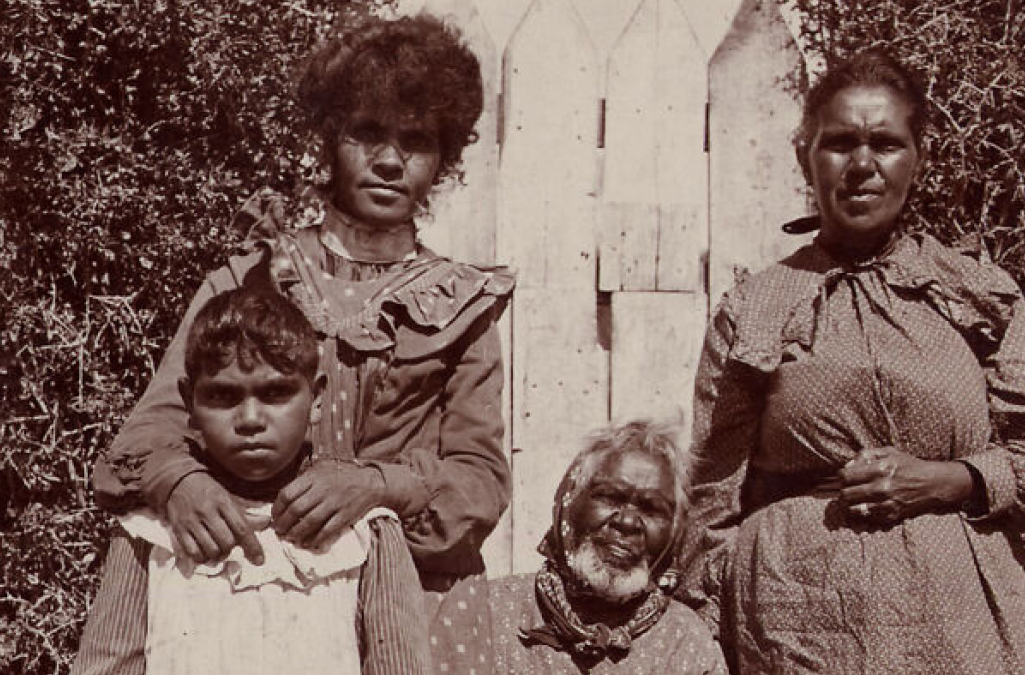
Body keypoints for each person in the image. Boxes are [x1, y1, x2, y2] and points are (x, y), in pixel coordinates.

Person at [90, 14, 513, 674]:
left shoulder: (462, 306)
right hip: (255, 589)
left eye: (417, 141)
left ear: (444, 158)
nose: (389, 160)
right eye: (367, 132)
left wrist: (372, 487)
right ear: (329, 137)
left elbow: (478, 484)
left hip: (417, 611)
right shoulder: (249, 277)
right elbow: (140, 441)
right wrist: (178, 482)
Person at [677, 51, 1025, 675]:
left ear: (918, 158)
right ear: (804, 156)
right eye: (839, 143)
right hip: (797, 618)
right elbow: (711, 497)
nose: (862, 166)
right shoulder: (756, 308)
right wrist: (707, 633)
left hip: (962, 618)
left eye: (886, 144)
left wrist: (952, 479)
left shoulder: (977, 293)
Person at [73, 287, 431, 675]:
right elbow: (107, 665)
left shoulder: (367, 532)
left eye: (276, 393)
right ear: (189, 404)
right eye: (223, 396)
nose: (250, 420)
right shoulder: (149, 531)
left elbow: (399, 665)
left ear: (316, 399)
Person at [490, 420, 728, 675]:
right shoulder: (492, 613)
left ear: (674, 532)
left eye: (652, 509)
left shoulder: (685, 644)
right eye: (609, 497)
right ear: (569, 502)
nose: (627, 522)